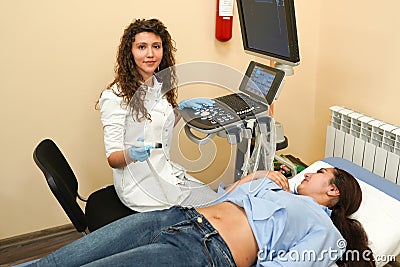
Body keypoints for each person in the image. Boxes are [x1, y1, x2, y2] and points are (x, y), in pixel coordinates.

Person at [29, 168, 375, 266]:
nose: (308, 174)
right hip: (174, 218)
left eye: (320, 173)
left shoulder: (327, 231)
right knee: (58, 260)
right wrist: (251, 179)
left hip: (205, 251)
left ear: (333, 191)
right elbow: (226, 198)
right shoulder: (276, 188)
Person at [96, 18, 216, 212]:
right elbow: (113, 158)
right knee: (215, 210)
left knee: (216, 200)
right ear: (130, 52)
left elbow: (161, 123)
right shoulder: (115, 98)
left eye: (156, 46)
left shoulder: (157, 84)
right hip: (141, 186)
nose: (150, 54)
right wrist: (132, 154)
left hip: (165, 171)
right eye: (142, 47)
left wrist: (181, 110)